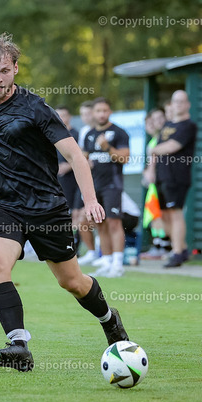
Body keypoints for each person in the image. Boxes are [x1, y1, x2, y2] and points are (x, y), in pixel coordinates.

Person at [0, 33, 128, 372]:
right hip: (1, 204)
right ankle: (19, 346)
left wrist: (89, 200)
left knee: (71, 281)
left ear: (15, 69)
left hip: (46, 207)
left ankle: (108, 319)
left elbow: (75, 155)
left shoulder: (36, 108)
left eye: (4, 71)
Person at [148, 90, 197, 267]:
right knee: (164, 216)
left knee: (176, 213)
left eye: (181, 101)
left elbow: (171, 146)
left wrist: (153, 150)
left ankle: (176, 253)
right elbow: (159, 147)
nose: (178, 105)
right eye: (175, 101)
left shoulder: (188, 126)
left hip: (177, 177)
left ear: (187, 105)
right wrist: (150, 170)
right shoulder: (168, 125)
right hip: (162, 176)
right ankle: (182, 249)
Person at [82, 97, 130, 278]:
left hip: (112, 185)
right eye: (98, 111)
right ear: (93, 113)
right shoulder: (89, 134)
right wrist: (85, 162)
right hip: (94, 186)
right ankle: (107, 260)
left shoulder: (119, 133)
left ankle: (118, 264)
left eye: (105, 110)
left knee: (114, 222)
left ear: (110, 112)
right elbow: (83, 158)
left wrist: (107, 147)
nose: (101, 114)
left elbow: (125, 158)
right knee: (99, 224)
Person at [54, 105, 87, 258]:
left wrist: (68, 166)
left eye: (64, 115)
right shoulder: (52, 133)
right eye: (58, 115)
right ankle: (62, 245)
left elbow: (82, 156)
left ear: (69, 117)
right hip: (58, 182)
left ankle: (74, 246)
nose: (61, 118)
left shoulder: (76, 135)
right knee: (60, 214)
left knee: (75, 213)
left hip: (74, 181)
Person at [142, 108, 171, 259]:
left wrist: (150, 172)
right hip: (154, 184)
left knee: (160, 214)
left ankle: (164, 246)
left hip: (160, 183)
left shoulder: (162, 139)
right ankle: (159, 245)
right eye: (149, 123)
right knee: (154, 215)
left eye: (153, 121)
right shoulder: (153, 140)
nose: (152, 125)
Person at [76, 100, 100, 265]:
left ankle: (106, 254)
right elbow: (81, 155)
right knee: (81, 218)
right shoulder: (84, 132)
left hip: (102, 183)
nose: (86, 117)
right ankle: (92, 252)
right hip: (86, 181)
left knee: (100, 219)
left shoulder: (107, 132)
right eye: (83, 114)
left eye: (88, 113)